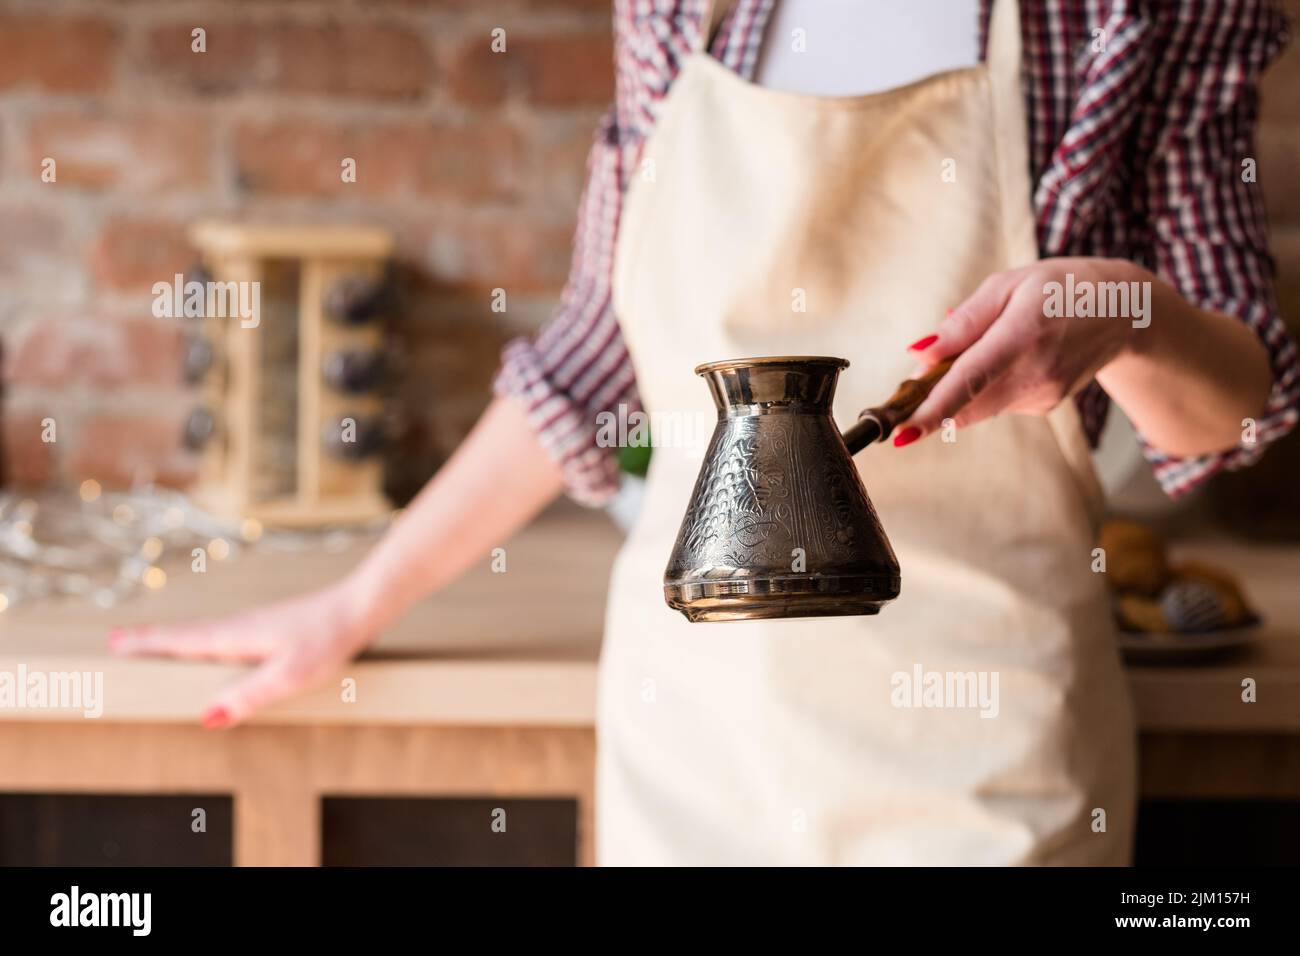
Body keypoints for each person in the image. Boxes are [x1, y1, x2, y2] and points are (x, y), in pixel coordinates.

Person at [110, 0, 1298, 864]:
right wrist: (348, 606)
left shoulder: (1131, 18)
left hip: (980, 759)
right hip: (693, 754)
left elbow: (1236, 410)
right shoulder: (680, 12)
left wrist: (1120, 309)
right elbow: (591, 365)